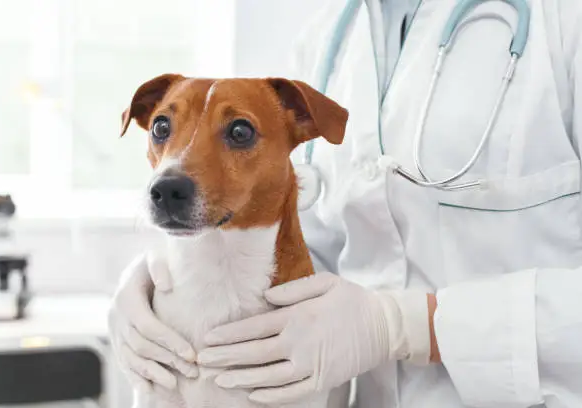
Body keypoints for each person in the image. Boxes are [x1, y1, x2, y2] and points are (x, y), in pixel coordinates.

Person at [107, 0, 582, 406]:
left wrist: (407, 324)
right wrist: (168, 282)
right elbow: (304, 236)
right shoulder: (329, 37)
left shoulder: (563, 22)